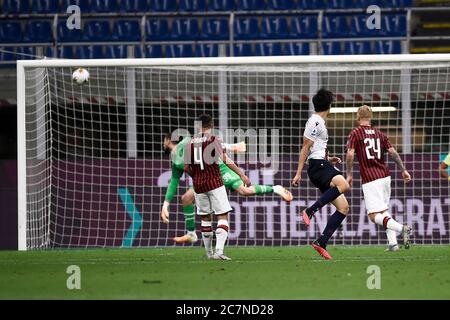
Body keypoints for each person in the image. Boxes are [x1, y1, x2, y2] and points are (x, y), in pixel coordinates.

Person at [161, 135, 293, 244]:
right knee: (186, 199)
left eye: (163, 140)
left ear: (168, 140)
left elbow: (210, 143)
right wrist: (165, 205)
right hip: (203, 178)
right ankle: (192, 234)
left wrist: (232, 147)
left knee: (245, 191)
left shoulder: (186, 142)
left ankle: (275, 188)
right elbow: (173, 182)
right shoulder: (175, 163)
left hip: (219, 169)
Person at [292, 89, 350, 260]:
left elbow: (316, 147)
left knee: (344, 208)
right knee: (344, 184)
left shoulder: (319, 122)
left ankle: (321, 242)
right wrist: (298, 173)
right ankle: (310, 210)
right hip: (318, 166)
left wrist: (329, 158)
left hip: (322, 163)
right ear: (329, 106)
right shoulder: (315, 121)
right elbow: (305, 147)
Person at [346, 105, 413, 251]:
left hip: (371, 179)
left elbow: (350, 154)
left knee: (373, 215)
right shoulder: (379, 134)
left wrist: (349, 174)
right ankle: (393, 244)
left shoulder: (356, 133)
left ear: (358, 117)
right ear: (371, 117)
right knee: (383, 211)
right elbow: (393, 152)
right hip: (385, 176)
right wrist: (404, 170)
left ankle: (403, 228)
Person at [184, 114, 250, 260]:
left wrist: (195, 176)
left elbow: (186, 167)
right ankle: (219, 251)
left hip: (198, 185)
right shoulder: (214, 139)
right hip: (214, 182)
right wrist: (242, 174)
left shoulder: (190, 143)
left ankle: (209, 253)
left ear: (198, 126)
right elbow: (226, 160)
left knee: (205, 218)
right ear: (212, 124)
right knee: (222, 215)